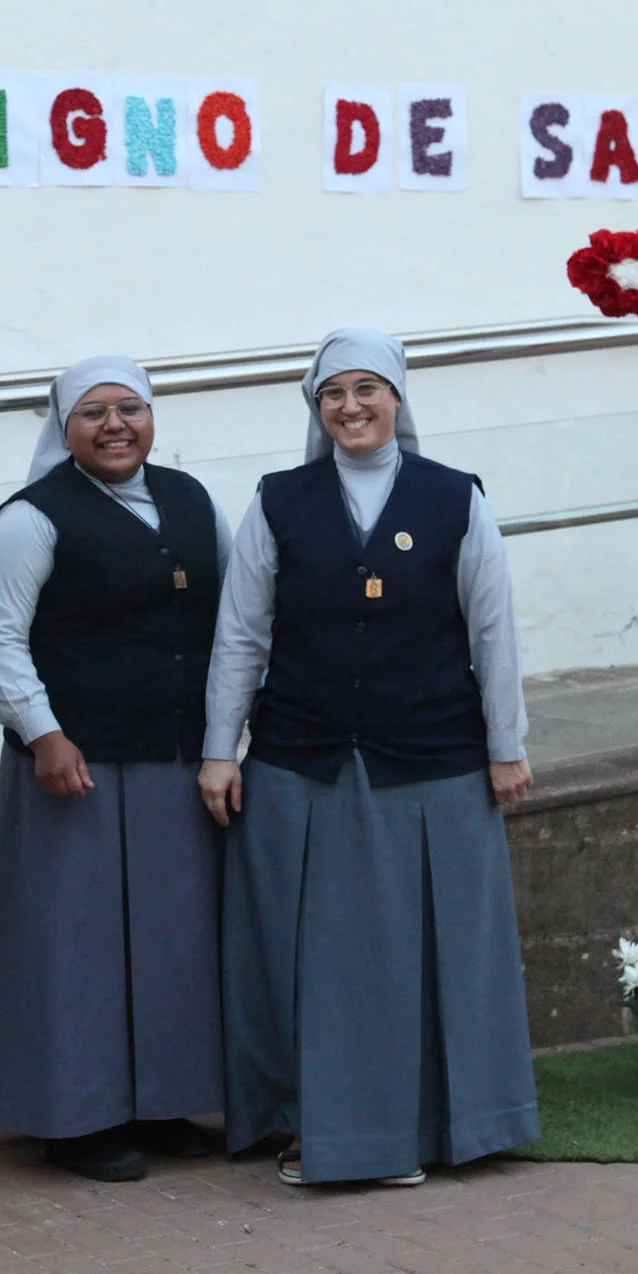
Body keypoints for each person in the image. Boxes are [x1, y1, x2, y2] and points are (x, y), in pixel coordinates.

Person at [200, 327, 541, 1187]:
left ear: (397, 396)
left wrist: (507, 745)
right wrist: (219, 751)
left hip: (433, 759)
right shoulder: (278, 501)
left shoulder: (455, 498)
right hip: (300, 761)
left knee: (441, 953)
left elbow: (493, 631)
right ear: (317, 409)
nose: (351, 407)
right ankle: (312, 1122)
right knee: (315, 958)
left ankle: (456, 1124)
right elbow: (240, 635)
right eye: (332, 394)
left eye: (367, 389)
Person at [0, 358, 232, 1181]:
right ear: (63, 427)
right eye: (92, 413)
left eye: (129, 409)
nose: (114, 425)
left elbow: (233, 618)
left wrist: (227, 735)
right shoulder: (32, 517)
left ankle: (163, 1102)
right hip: (74, 767)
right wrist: (44, 734)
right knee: (73, 945)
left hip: (172, 756)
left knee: (173, 941)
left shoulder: (193, 501)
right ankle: (75, 1118)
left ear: (152, 418)